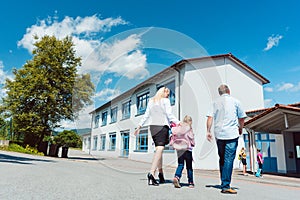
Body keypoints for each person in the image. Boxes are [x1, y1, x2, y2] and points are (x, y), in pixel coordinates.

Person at [134, 86, 180, 186]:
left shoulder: (151, 101)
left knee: (159, 150)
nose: (168, 94)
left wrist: (139, 126)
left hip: (153, 127)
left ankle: (161, 174)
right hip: (162, 126)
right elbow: (169, 114)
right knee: (160, 149)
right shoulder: (165, 101)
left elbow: (146, 115)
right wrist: (179, 122)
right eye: (167, 92)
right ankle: (151, 173)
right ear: (162, 93)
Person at [206, 84, 247, 194]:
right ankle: (225, 185)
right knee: (229, 159)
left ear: (219, 92)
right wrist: (241, 128)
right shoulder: (236, 101)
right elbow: (242, 117)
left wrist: (208, 131)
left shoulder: (214, 102)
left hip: (219, 134)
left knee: (222, 158)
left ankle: (223, 182)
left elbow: (210, 117)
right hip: (231, 134)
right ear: (229, 91)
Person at [171, 115, 195, 188]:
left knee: (180, 164)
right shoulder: (189, 129)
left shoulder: (178, 128)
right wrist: (193, 144)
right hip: (187, 150)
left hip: (179, 149)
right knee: (189, 167)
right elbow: (192, 140)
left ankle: (177, 177)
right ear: (190, 122)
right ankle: (190, 182)